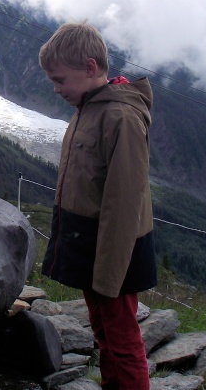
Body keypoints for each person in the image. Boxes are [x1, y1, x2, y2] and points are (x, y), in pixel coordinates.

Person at [39, 22, 156, 389]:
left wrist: (108, 276)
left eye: (60, 80)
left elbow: (124, 205)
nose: (56, 89)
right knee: (104, 331)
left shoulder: (120, 116)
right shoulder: (89, 106)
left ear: (90, 68)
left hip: (114, 253)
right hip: (90, 243)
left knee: (121, 340)